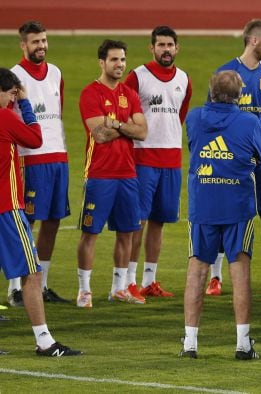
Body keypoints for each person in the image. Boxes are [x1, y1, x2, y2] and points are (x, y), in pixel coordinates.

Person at [180, 70, 261, 360]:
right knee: (239, 272)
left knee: (197, 270)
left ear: (210, 92)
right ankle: (242, 343)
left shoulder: (193, 117)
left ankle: (190, 343)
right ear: (239, 95)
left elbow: (193, 145)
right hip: (237, 206)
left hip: (203, 204)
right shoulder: (250, 122)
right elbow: (259, 158)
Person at [0, 67, 81, 356]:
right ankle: (45, 341)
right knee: (33, 274)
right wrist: (24, 104)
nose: (12, 98)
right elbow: (35, 139)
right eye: (10, 93)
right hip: (6, 209)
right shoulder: (5, 117)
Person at [208, 19, 261, 296]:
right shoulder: (226, 73)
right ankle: (215, 277)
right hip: (231, 160)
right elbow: (213, 115)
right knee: (224, 215)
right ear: (254, 41)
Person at [76, 39, 148, 307]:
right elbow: (100, 135)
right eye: (114, 60)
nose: (120, 65)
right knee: (90, 233)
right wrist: (126, 125)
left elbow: (142, 131)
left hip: (127, 174)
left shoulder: (129, 94)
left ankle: (118, 288)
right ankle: (84, 290)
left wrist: (114, 122)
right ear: (102, 63)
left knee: (127, 232)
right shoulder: (90, 93)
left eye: (123, 60)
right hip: (99, 174)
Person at [124, 25, 192, 299]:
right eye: (161, 45)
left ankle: (149, 280)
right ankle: (128, 280)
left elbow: (179, 115)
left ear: (177, 48)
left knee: (160, 221)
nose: (166, 50)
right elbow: (126, 115)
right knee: (137, 221)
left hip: (171, 160)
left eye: (170, 45)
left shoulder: (184, 79)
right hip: (142, 159)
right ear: (152, 48)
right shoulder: (137, 77)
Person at [8, 21, 69, 306]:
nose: (41, 46)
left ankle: (41, 285)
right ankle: (16, 288)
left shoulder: (56, 72)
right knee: (25, 222)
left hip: (58, 156)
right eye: (35, 42)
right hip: (30, 159)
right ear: (23, 45)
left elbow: (58, 113)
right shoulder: (14, 76)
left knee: (53, 220)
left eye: (44, 41)